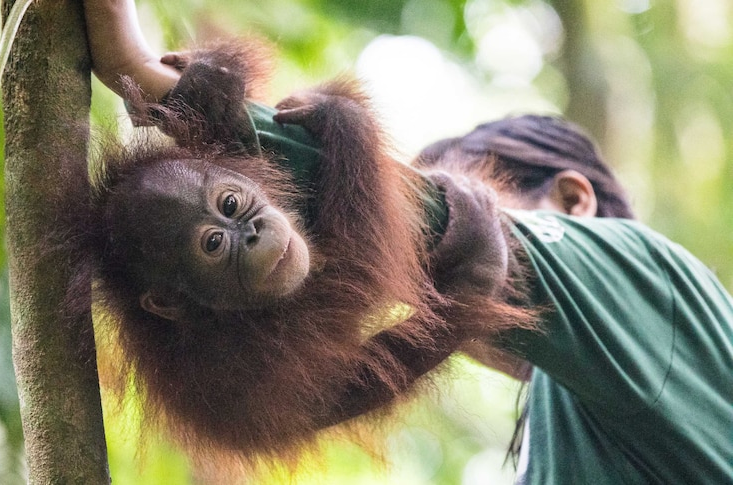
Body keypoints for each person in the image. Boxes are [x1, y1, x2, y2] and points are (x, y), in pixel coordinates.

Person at [83, 2, 733, 482]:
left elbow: (434, 225)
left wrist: (155, 79)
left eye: (490, 182)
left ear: (572, 198)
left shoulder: (647, 286)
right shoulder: (562, 436)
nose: (412, 267)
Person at [417, 115, 733, 484]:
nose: (432, 292)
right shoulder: (566, 419)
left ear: (572, 200)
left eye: (482, 199)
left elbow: (474, 236)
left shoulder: (643, 282)